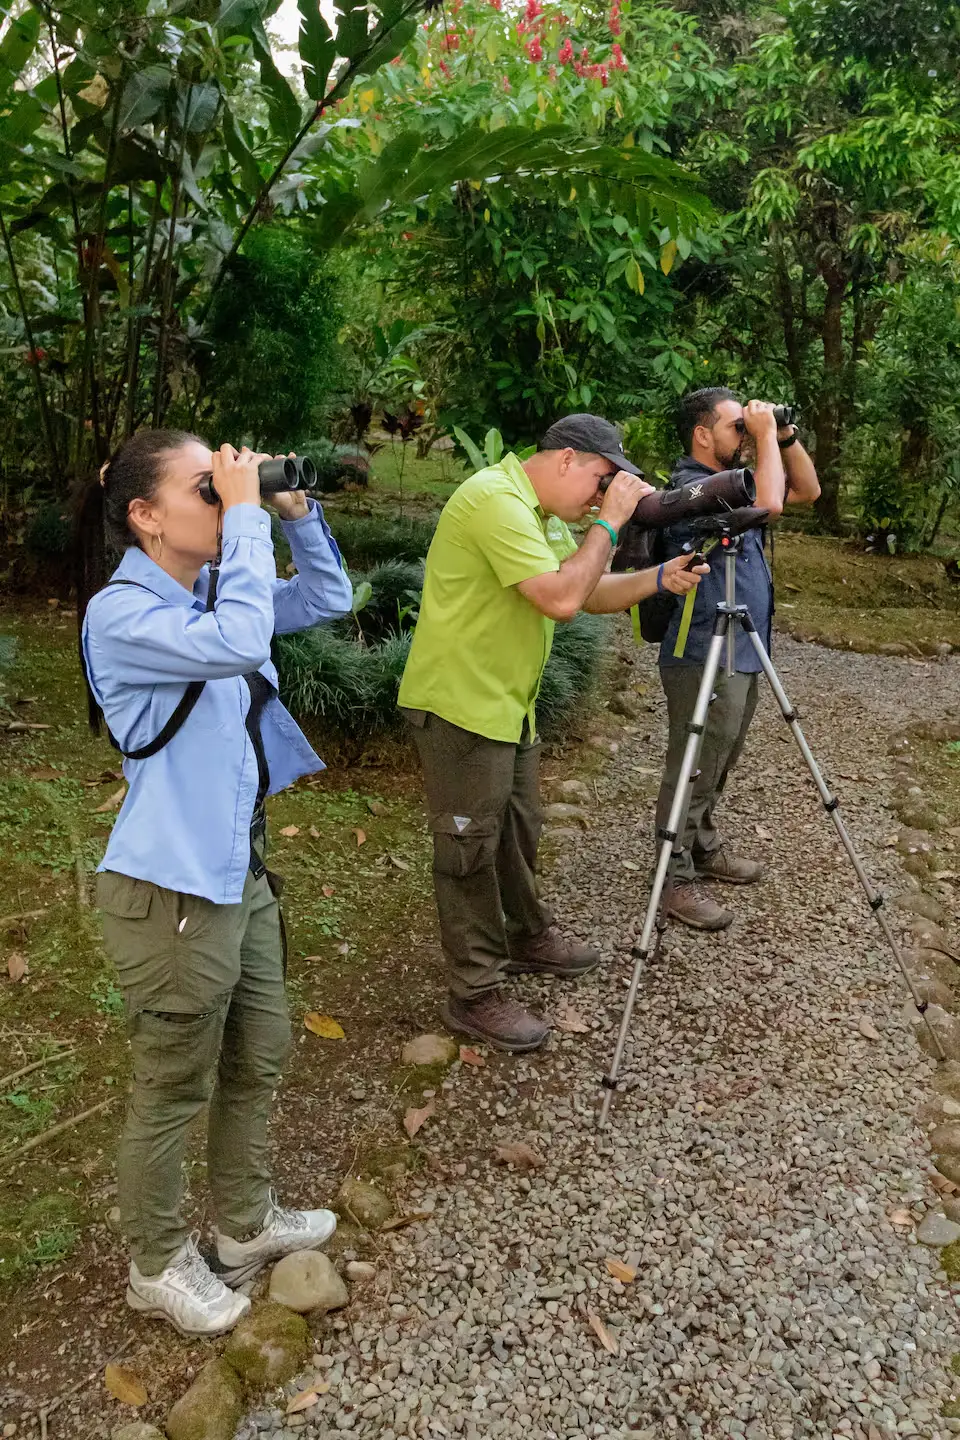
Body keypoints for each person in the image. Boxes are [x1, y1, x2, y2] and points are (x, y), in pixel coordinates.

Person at [76, 431, 353, 1337]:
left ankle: (243, 1223)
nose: (224, 493)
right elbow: (238, 642)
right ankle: (155, 1263)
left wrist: (289, 509)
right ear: (145, 517)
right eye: (205, 486)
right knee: (173, 1084)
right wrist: (242, 520)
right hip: (171, 892)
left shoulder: (209, 592)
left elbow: (326, 596)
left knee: (258, 1052)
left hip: (238, 873)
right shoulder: (124, 615)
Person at [397, 414, 708, 1053]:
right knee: (469, 852)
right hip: (460, 710)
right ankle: (474, 992)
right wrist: (610, 523)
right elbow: (562, 599)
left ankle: (523, 933)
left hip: (508, 708)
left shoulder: (538, 512)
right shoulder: (493, 500)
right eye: (599, 479)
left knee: (517, 829)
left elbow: (586, 590)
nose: (600, 495)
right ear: (567, 459)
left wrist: (659, 577)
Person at [654, 389, 820, 930]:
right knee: (695, 760)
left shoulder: (739, 482)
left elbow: (807, 491)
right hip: (701, 646)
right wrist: (767, 434)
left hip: (745, 644)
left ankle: (700, 846)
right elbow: (770, 504)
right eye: (736, 427)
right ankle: (671, 877)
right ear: (703, 434)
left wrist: (784, 435)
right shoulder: (691, 490)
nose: (747, 435)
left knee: (723, 756)